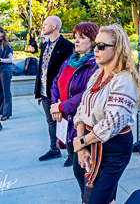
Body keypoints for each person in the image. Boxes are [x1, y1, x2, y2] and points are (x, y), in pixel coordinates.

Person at [73, 24, 140, 204]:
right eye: (96, 44)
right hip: (88, 140)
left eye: (102, 46)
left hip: (112, 147)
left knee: (94, 199)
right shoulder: (97, 74)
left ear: (118, 48)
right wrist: (81, 146)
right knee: (94, 197)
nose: (95, 49)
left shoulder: (124, 80)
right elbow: (82, 108)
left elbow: (111, 124)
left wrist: (81, 142)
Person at [50, 22, 99, 170]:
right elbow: (55, 83)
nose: (76, 40)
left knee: (85, 171)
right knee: (77, 169)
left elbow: (88, 94)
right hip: (66, 120)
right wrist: (55, 106)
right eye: (75, 37)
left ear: (93, 41)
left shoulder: (95, 64)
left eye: (82, 37)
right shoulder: (70, 61)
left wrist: (61, 106)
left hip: (83, 125)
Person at [35, 16, 74, 162]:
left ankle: (72, 154)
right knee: (51, 121)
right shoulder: (45, 44)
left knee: (66, 121)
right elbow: (41, 70)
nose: (42, 27)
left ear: (54, 26)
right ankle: (54, 149)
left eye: (45, 24)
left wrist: (62, 94)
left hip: (60, 92)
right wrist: (38, 91)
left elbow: (68, 71)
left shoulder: (67, 45)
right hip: (45, 91)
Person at [0, 26, 13, 121]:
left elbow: (11, 60)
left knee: (6, 91)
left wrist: (0, 60)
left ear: (2, 33)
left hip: (4, 70)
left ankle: (6, 113)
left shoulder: (6, 45)